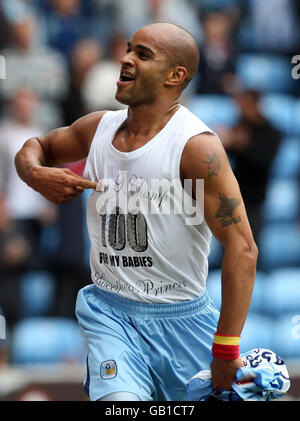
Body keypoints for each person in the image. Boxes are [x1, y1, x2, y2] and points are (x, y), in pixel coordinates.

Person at [15, 23, 258, 401]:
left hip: (182, 319)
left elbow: (243, 249)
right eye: (128, 49)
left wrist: (226, 348)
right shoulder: (98, 128)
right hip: (110, 314)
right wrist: (34, 173)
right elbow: (37, 146)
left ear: (175, 75)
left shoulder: (197, 148)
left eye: (143, 54)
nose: (125, 59)